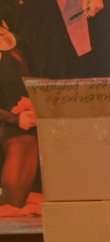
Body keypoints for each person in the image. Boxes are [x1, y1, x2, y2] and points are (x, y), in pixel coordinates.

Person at [0, 18, 39, 210]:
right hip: (8, 123)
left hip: (28, 118)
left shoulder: (11, 34)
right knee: (12, 206)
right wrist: (16, 120)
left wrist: (35, 106)